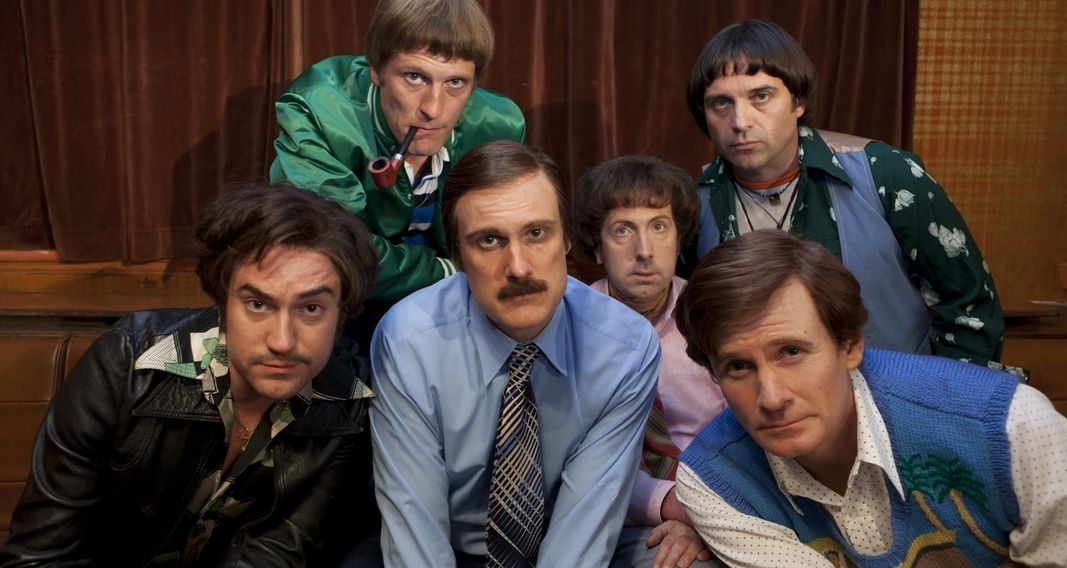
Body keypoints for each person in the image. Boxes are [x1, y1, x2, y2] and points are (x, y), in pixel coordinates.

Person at [0, 184, 381, 566]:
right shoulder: (128, 362)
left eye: (311, 308)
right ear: (222, 302)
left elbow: (278, 552)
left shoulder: (347, 403)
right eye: (257, 303)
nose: (282, 341)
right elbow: (39, 556)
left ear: (342, 313)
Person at [672, 229, 1067, 567]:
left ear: (850, 346)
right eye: (738, 366)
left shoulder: (1009, 427)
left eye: (791, 352)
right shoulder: (714, 481)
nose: (772, 398)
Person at [370, 140, 660, 567]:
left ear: (566, 240)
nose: (519, 267)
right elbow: (417, 538)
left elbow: (581, 537)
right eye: (489, 240)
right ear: (457, 257)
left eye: (536, 234)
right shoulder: (409, 342)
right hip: (455, 551)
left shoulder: (624, 348)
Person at [686, 18, 1003, 365]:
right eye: (721, 103)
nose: (740, 121)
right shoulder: (695, 204)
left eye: (760, 96)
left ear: (798, 102)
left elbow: (970, 309)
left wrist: (937, 395)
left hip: (896, 392)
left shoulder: (886, 173)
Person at [271, 0, 526, 302]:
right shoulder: (317, 112)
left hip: (457, 304)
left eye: (455, 82)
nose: (433, 109)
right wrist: (450, 273)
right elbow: (333, 250)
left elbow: (502, 240)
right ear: (376, 70)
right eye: (415, 77)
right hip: (342, 305)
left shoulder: (499, 126)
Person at [572, 155, 726, 568]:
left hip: (722, 502)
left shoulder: (716, 316)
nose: (644, 251)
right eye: (623, 230)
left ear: (679, 238)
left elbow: (753, 436)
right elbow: (576, 468)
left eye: (659, 227)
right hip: (612, 515)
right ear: (597, 247)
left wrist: (703, 517)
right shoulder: (568, 329)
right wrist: (670, 504)